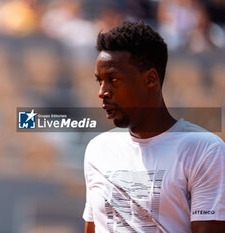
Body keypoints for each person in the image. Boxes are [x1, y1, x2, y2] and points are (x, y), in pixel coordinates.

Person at [83, 21, 225, 233]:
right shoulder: (98, 149)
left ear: (150, 79)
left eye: (113, 79)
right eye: (100, 81)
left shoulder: (205, 150)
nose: (102, 91)